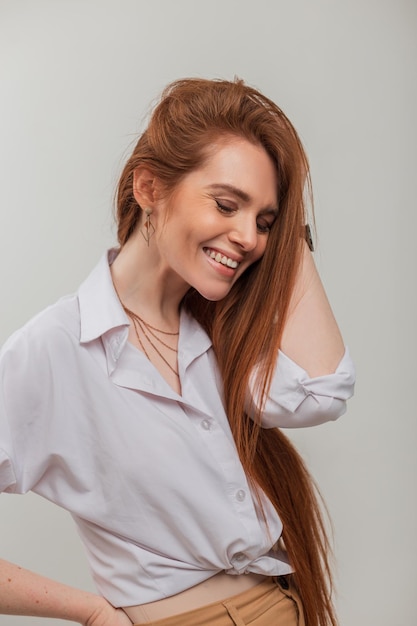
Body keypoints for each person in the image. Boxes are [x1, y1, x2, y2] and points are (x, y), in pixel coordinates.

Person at [0, 78, 355, 626]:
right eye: (226, 204)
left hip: (280, 606)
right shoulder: (56, 348)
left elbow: (322, 392)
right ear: (149, 187)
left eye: (263, 221)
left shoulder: (222, 329)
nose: (248, 239)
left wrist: (291, 239)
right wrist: (90, 612)